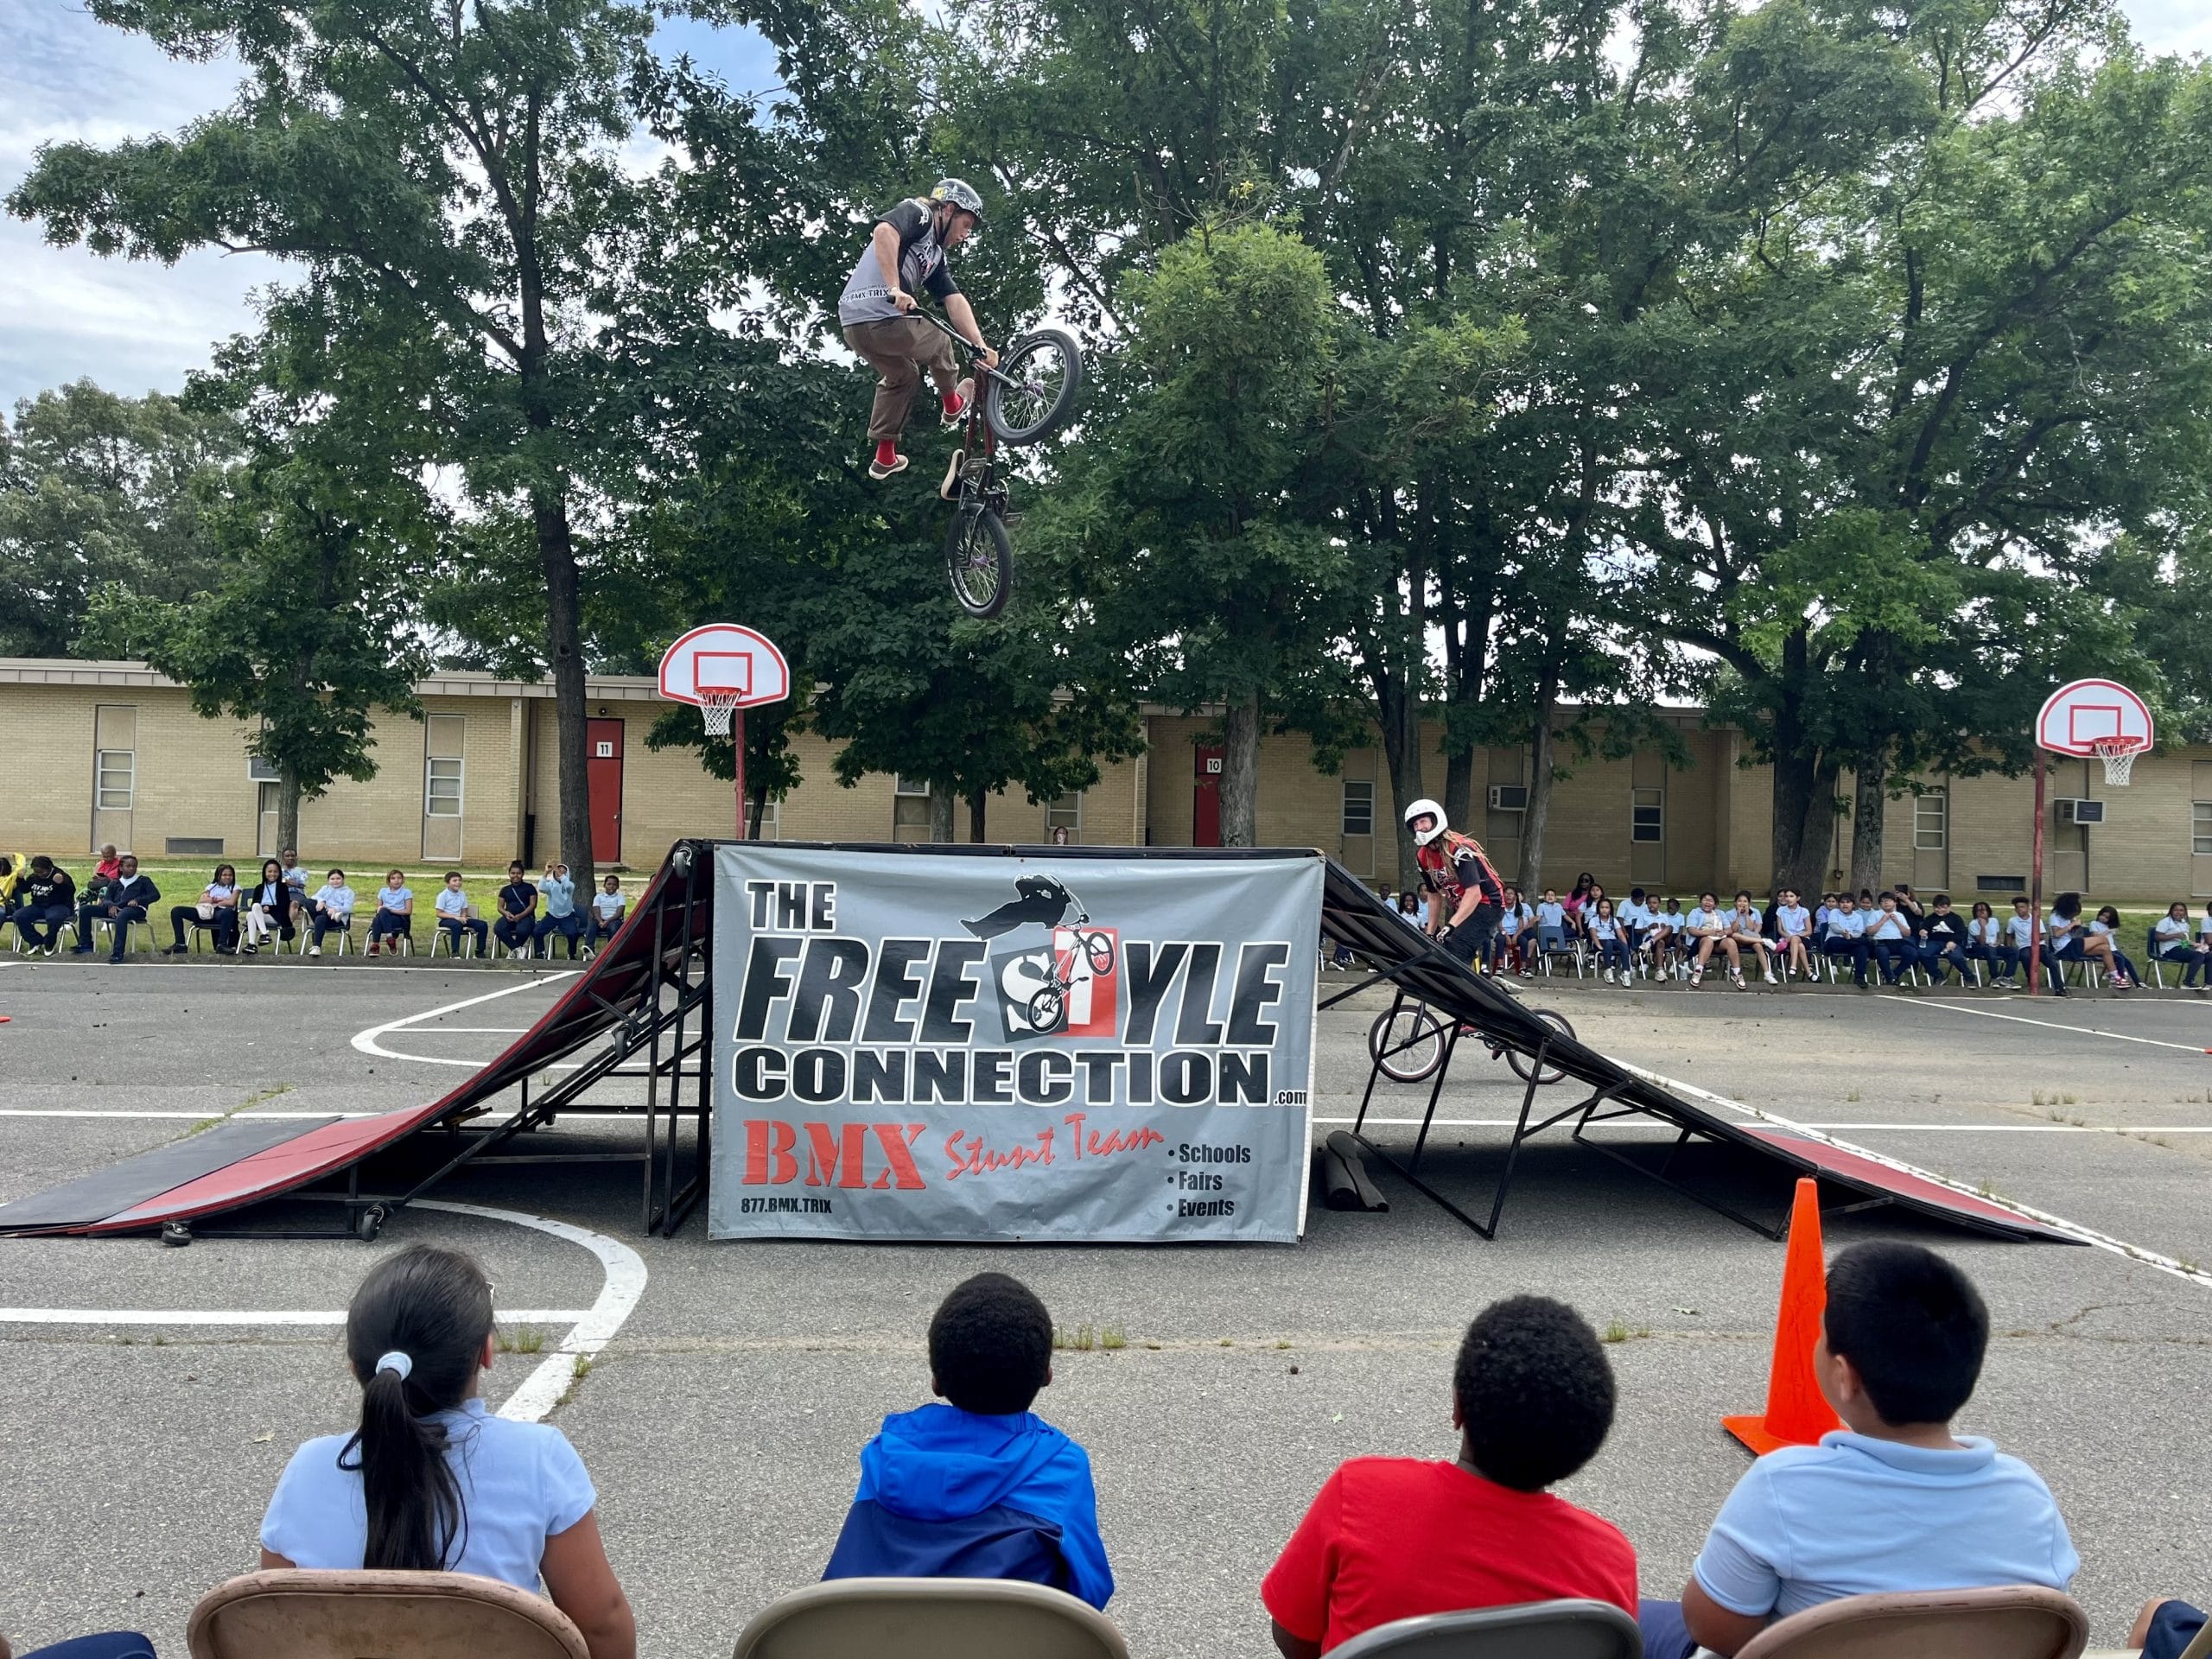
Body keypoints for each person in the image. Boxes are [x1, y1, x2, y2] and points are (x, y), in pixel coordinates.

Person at [1637, 1243, 2075, 1659]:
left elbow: (1713, 1626)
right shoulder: (2028, 1495)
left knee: (1631, 1618)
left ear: (1845, 1376)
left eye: (1822, 1335)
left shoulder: (1783, 1485)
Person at [260, 1246, 635, 1659]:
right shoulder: (540, 1459)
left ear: (356, 1368)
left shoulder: (308, 1467)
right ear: (485, 1354)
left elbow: (280, 1628)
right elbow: (602, 1624)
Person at [1263, 1296, 1636, 1657]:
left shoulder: (1361, 1493)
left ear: (1458, 1408)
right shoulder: (1608, 1564)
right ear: (1587, 1444)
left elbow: (1293, 1634)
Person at [823, 1272, 1111, 1609]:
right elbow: (1090, 1598)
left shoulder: (883, 1456)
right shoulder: (1063, 1468)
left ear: (936, 1381)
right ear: (1046, 1374)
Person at [837, 180, 996, 480]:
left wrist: (980, 344)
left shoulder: (935, 257)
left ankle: (884, 456)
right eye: (965, 224)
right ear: (948, 210)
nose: (965, 235)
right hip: (881, 316)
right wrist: (895, 287)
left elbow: (954, 299)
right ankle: (952, 403)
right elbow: (884, 231)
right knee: (939, 338)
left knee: (904, 376)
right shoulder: (920, 213)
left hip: (856, 327)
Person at [1402, 798, 1505, 970]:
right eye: (1415, 825)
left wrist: (1451, 925)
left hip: (1489, 903)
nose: (1419, 828)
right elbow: (1434, 895)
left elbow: (1474, 893)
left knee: (1457, 944)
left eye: (1423, 822)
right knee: (1441, 946)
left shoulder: (1458, 849)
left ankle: (1466, 989)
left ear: (1435, 821)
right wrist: (1431, 933)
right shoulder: (1422, 856)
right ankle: (1482, 980)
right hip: (1465, 905)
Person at [71, 855, 159, 963]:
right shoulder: (115, 882)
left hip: (134, 909)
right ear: (121, 868)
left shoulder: (143, 881)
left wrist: (139, 900)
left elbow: (155, 895)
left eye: (134, 866)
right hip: (115, 908)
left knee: (122, 915)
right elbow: (107, 898)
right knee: (85, 909)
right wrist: (111, 905)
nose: (132, 868)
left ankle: (118, 952)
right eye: (128, 866)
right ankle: (85, 943)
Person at [166, 863, 240, 955]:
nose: (228, 877)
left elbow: (231, 903)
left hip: (221, 914)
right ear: (219, 876)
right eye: (224, 875)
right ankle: (180, 944)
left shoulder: (236, 888)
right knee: (176, 911)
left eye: (230, 875)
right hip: (205, 912)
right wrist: (220, 900)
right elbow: (202, 900)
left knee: (228, 911)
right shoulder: (211, 886)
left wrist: (214, 901)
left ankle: (222, 944)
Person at [12, 856, 79, 955]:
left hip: (59, 906)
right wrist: (20, 879)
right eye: (36, 872)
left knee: (53, 918)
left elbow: (71, 891)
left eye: (42, 872)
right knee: (18, 916)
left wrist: (62, 883)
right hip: (38, 906)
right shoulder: (34, 877)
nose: (40, 875)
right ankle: (35, 941)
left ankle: (49, 943)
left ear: (49, 868)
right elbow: (24, 890)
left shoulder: (60, 875)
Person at [239, 857, 297, 954]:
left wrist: (269, 908)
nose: (272, 874)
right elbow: (255, 904)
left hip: (277, 916)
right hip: (260, 914)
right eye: (269, 871)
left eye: (275, 872)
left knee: (253, 911)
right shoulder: (259, 888)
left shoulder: (282, 888)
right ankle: (254, 942)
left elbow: (284, 906)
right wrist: (262, 908)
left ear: (279, 873)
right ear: (265, 873)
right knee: (251, 913)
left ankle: (263, 936)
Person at [1861, 893, 1916, 988]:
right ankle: (1890, 978)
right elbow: (1869, 932)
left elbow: (1907, 933)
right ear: (1880, 904)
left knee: (1912, 953)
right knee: (1882, 953)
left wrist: (1897, 922)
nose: (1886, 903)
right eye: (1883, 901)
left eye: (1889, 900)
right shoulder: (1875, 914)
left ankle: (1893, 975)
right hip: (1881, 941)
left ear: (1895, 903)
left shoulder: (1900, 915)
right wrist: (1882, 921)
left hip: (1898, 941)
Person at [1918, 893, 1971, 987]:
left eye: (1943, 907)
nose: (1940, 910)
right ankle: (1937, 975)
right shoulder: (1930, 918)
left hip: (1952, 942)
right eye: (1937, 908)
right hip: (1934, 942)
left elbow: (1961, 933)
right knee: (1923, 953)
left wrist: (1954, 942)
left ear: (1949, 907)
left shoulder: (1956, 918)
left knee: (1956, 957)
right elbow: (1924, 928)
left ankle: (1969, 976)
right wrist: (1923, 931)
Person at [1819, 892, 1870, 988]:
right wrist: (1843, 932)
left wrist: (1850, 936)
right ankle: (1866, 942)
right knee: (1862, 942)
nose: (1845, 904)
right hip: (1834, 942)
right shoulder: (1834, 912)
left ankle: (1859, 978)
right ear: (1839, 904)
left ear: (1853, 905)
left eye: (1848, 902)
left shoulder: (1858, 917)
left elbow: (1858, 933)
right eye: (1842, 902)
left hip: (1851, 941)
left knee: (1862, 949)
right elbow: (1834, 927)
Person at [2042, 893, 2088, 996]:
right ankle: (2115, 976)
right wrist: (2072, 925)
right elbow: (2057, 934)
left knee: (2104, 948)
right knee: (2102, 940)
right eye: (2073, 914)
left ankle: (2115, 976)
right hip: (2064, 947)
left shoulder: (2068, 918)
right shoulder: (2055, 917)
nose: (2073, 916)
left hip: (2073, 943)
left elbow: (2074, 934)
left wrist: (2077, 926)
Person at [434, 872, 489, 957]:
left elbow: (464, 910)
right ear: (448, 883)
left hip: (460, 918)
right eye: (454, 881)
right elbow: (439, 913)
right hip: (446, 920)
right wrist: (455, 917)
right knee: (457, 925)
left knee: (482, 925)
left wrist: (463, 917)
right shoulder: (443, 896)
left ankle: (479, 952)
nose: (458, 883)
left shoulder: (462, 894)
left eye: (459, 880)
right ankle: (455, 953)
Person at [535, 861, 582, 960]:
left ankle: (571, 953)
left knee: (573, 933)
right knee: (537, 931)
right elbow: (541, 888)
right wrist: (546, 872)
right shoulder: (550, 885)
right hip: (552, 915)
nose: (559, 874)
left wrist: (558, 872)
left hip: (567, 915)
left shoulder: (570, 885)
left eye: (563, 873)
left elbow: (568, 886)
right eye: (557, 872)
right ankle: (540, 952)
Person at [1726, 891, 1776, 986]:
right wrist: (1738, 916)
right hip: (1737, 940)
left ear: (1749, 903)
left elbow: (1751, 929)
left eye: (1745, 901)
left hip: (1750, 937)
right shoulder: (1729, 913)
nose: (1742, 904)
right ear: (1735, 903)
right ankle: (1764, 941)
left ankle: (1767, 973)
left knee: (1758, 946)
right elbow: (1733, 930)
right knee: (1735, 935)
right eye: (1739, 901)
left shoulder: (1755, 912)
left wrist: (1747, 915)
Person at [1683, 892, 1730, 988]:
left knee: (1731, 943)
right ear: (1700, 902)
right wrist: (1709, 933)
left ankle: (1737, 973)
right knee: (1708, 941)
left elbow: (1729, 929)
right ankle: (1698, 971)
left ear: (1715, 904)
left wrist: (1723, 932)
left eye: (1710, 900)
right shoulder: (1695, 912)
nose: (1707, 902)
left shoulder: (1720, 913)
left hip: (1718, 941)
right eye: (1705, 900)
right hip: (1700, 940)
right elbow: (1691, 929)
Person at [2087, 905, 2139, 990]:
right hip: (2102, 948)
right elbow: (2096, 938)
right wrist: (2107, 931)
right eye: (2103, 915)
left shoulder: (2109, 926)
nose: (2104, 918)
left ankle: (2138, 982)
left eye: (2107, 917)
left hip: (2113, 948)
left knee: (2127, 962)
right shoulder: (2094, 924)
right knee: (2120, 959)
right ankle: (2120, 980)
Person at [307, 869, 357, 956]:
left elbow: (348, 909)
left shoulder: (348, 892)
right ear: (328, 880)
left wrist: (335, 909)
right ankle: (326, 913)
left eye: (338, 878)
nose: (335, 881)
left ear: (343, 879)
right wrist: (321, 901)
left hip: (337, 920)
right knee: (308, 901)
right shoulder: (325, 888)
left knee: (320, 918)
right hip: (324, 916)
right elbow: (315, 897)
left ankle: (316, 947)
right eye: (332, 879)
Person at [495, 862, 539, 957]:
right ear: (509, 874)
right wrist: (506, 913)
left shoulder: (529, 888)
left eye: (518, 873)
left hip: (526, 917)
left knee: (522, 930)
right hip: (509, 917)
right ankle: (517, 949)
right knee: (498, 928)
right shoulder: (505, 890)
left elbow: (533, 905)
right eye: (513, 873)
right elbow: (500, 907)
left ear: (522, 874)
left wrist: (521, 916)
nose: (516, 876)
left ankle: (514, 952)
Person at [366, 869, 415, 956]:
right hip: (384, 916)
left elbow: (408, 911)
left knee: (381, 914)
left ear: (403, 880)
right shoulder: (383, 891)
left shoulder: (406, 892)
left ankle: (375, 945)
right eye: (393, 878)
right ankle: (390, 939)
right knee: (380, 915)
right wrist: (383, 909)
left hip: (399, 918)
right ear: (388, 881)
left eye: (399, 878)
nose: (396, 880)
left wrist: (390, 910)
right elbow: (379, 908)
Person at [1770, 887, 1814, 981]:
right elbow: (1780, 930)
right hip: (1787, 940)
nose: (1788, 899)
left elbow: (1809, 931)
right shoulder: (1780, 911)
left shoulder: (1804, 911)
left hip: (1803, 938)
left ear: (1798, 898)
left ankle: (1793, 967)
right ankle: (1809, 973)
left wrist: (1796, 936)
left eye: (1791, 896)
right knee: (1800, 946)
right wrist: (1788, 936)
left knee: (1796, 939)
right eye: (1786, 896)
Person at [1589, 897, 1631, 985]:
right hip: (1600, 941)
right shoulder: (1593, 920)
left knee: (1623, 945)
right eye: (1602, 907)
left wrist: (1625, 945)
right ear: (1598, 909)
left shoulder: (1613, 920)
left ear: (1610, 909)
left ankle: (1626, 972)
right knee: (1608, 943)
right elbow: (1593, 934)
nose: (1604, 910)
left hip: (1612, 940)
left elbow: (1620, 934)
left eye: (1607, 908)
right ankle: (1608, 970)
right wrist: (1599, 946)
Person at [2000, 894, 2039, 991]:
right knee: (2026, 956)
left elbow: (2042, 934)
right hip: (2023, 947)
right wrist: (2009, 947)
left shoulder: (2035, 918)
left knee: (2047, 957)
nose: (2020, 910)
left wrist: (2034, 936)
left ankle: (2057, 984)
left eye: (2022, 907)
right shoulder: (2013, 921)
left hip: (2037, 945)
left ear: (2028, 907)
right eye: (2017, 908)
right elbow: (2009, 934)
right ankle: (2030, 979)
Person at [1965, 900, 2005, 987]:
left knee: (2013, 951)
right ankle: (1995, 978)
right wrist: (1983, 926)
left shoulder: (1994, 921)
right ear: (1975, 913)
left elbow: (1998, 936)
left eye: (1984, 909)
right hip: (1977, 947)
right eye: (1979, 910)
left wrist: (1998, 942)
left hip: (1994, 946)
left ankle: (2007, 978)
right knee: (1990, 950)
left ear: (1988, 911)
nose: (1982, 912)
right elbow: (1982, 942)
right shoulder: (1973, 924)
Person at [588, 876, 627, 951]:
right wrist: (600, 921)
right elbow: (596, 910)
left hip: (614, 920)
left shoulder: (620, 897)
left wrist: (608, 921)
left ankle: (610, 950)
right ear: (604, 885)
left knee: (613, 927)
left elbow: (619, 913)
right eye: (609, 884)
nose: (611, 886)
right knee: (592, 925)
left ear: (618, 886)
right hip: (601, 920)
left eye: (614, 884)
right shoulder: (598, 897)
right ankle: (589, 948)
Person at [1533, 887, 1568, 964]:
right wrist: (1530, 923)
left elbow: (1565, 915)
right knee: (1545, 943)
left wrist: (1573, 922)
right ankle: (1545, 956)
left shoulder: (1558, 906)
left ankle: (1557, 952)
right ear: (1545, 898)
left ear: (1555, 898)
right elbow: (1538, 917)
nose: (1550, 897)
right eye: (1548, 895)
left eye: (1552, 895)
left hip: (1557, 930)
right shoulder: (1541, 906)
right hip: (1545, 930)